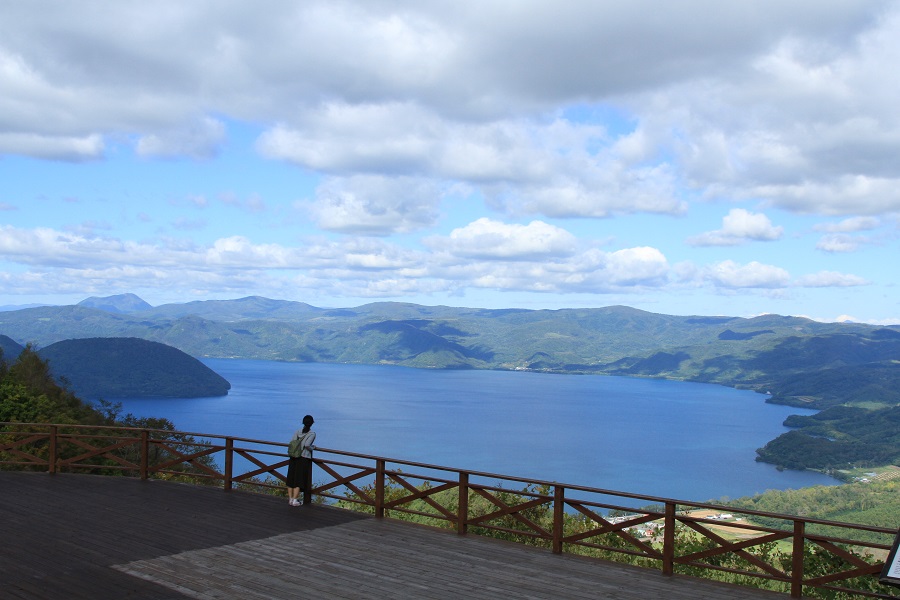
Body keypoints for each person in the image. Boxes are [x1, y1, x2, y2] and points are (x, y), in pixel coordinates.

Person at [286, 414, 316, 506]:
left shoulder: (297, 432)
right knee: (299, 479)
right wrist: (313, 447)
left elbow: (292, 442)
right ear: (312, 423)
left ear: (303, 422)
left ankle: (290, 499)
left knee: (291, 478)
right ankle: (295, 500)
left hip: (293, 456)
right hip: (303, 458)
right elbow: (307, 445)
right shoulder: (312, 434)